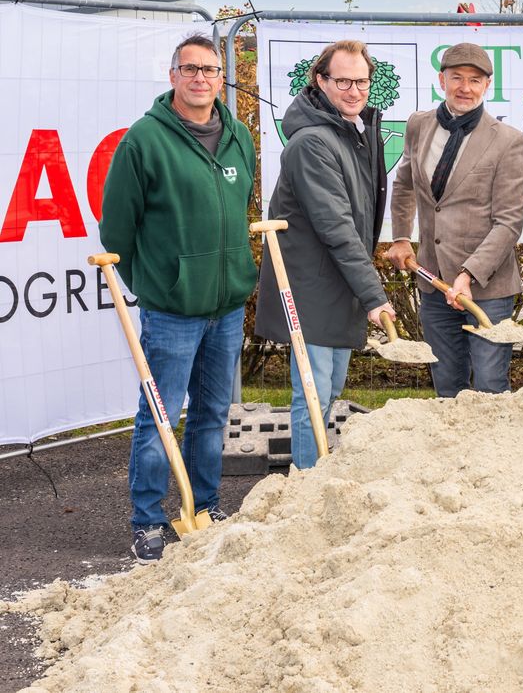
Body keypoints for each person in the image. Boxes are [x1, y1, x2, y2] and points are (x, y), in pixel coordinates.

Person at [99, 33, 257, 564]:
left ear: (221, 79)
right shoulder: (144, 140)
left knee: (211, 414)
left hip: (226, 307)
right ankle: (147, 519)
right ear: (173, 76)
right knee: (159, 417)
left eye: (210, 69)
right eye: (190, 69)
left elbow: (237, 206)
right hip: (172, 310)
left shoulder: (238, 136)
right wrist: (157, 281)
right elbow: (117, 230)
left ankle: (203, 506)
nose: (200, 78)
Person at [255, 40, 394, 470]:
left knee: (330, 390)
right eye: (343, 81)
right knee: (312, 395)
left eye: (362, 82)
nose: (355, 91)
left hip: (338, 282)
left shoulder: (352, 133)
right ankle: (305, 484)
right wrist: (374, 296)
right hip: (311, 286)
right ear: (320, 80)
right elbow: (336, 226)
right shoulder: (312, 143)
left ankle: (315, 473)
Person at [386, 43, 523, 397]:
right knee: (447, 384)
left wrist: (468, 275)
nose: (465, 88)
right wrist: (401, 237)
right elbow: (404, 184)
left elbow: (509, 222)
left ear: (487, 85)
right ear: (442, 80)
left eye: (475, 80)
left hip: (487, 288)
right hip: (433, 280)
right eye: (457, 78)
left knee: (489, 386)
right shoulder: (418, 125)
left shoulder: (509, 142)